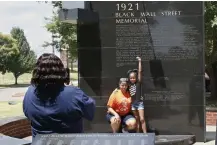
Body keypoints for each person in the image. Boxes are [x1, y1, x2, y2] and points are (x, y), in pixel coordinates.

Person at [23, 53, 95, 139]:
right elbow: (90, 110)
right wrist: (71, 90)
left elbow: (28, 114)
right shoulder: (74, 94)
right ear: (61, 71)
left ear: (37, 72)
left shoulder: (30, 92)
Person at [127, 57, 147, 133]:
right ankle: (138, 134)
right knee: (136, 119)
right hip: (133, 104)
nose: (132, 79)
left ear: (136, 78)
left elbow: (140, 71)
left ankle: (145, 134)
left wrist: (139, 61)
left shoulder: (138, 83)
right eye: (131, 78)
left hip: (139, 103)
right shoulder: (128, 85)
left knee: (142, 119)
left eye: (134, 78)